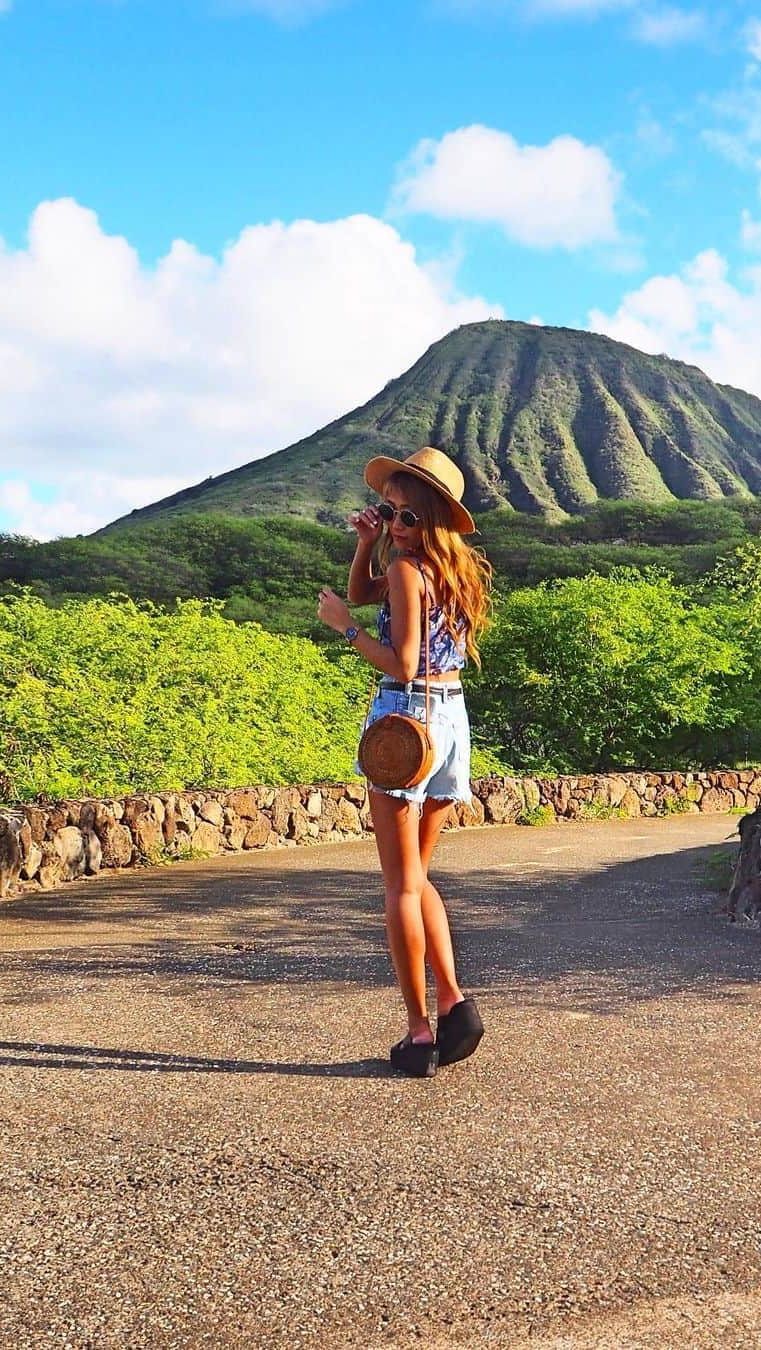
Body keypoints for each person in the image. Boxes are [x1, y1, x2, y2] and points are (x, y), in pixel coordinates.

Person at [317, 447, 492, 1078]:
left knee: (399, 887)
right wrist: (366, 545)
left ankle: (420, 1032)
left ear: (432, 520)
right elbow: (370, 587)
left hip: (403, 723)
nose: (394, 525)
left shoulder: (411, 572)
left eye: (405, 517)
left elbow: (402, 661)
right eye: (388, 512)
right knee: (418, 875)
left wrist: (344, 628)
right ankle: (454, 1004)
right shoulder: (454, 570)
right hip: (451, 721)